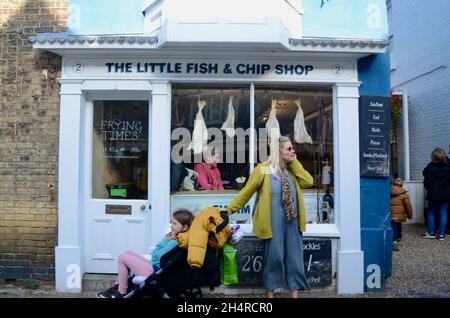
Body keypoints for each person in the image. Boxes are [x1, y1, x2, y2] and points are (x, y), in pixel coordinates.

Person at [225, 136, 313, 298]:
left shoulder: (292, 170)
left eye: (292, 148)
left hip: (292, 221)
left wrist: (294, 162)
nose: (293, 151)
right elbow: (246, 193)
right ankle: (269, 294)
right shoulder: (263, 169)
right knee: (274, 257)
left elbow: (308, 181)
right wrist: (228, 210)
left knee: (294, 258)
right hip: (272, 223)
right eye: (289, 149)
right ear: (278, 151)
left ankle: (295, 294)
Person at [96, 209, 194, 298]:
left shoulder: (175, 241)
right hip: (155, 266)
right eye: (171, 222)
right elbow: (156, 254)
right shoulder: (178, 237)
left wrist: (164, 240)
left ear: (185, 227)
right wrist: (165, 240)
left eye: (175, 223)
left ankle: (121, 291)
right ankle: (117, 287)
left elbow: (156, 256)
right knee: (127, 253)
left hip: (155, 271)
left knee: (122, 257)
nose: (171, 225)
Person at [422, 148, 450, 241]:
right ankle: (441, 235)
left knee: (431, 212)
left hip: (433, 193)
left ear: (433, 157)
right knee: (443, 213)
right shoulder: (448, 167)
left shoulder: (429, 169)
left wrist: (429, 188)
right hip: (446, 193)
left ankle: (431, 233)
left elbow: (426, 182)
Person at [390, 177, 413, 251]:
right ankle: (397, 239)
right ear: (402, 184)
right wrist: (410, 215)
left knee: (393, 226)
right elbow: (408, 206)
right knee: (398, 225)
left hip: (391, 214)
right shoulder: (404, 194)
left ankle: (394, 239)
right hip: (399, 215)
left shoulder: (389, 191)